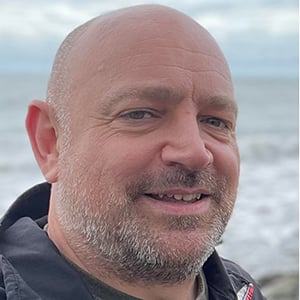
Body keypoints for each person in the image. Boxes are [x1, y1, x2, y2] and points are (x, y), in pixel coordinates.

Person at [0, 4, 265, 300]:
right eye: (140, 114)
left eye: (216, 121)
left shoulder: (241, 288)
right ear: (50, 143)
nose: (195, 152)